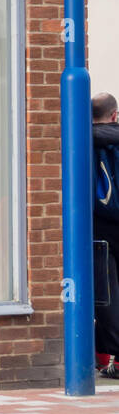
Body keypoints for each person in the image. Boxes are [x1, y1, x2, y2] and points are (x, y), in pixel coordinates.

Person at [93, 93, 119, 378]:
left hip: (98, 225)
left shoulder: (83, 136)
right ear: (114, 115)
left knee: (106, 291)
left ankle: (104, 353)